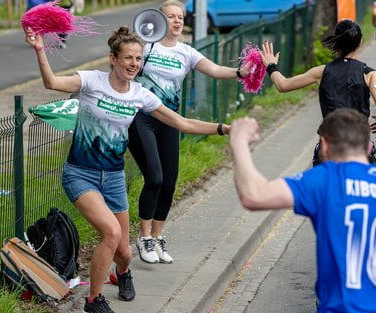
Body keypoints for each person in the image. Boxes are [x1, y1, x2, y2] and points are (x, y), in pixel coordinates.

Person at [24, 25, 230, 313]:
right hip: (80, 173)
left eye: (138, 58)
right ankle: (94, 301)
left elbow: (182, 123)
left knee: (124, 252)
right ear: (113, 58)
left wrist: (223, 129)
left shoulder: (140, 95)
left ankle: (121, 272)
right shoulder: (91, 81)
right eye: (128, 58)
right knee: (111, 233)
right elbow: (51, 83)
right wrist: (40, 50)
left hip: (114, 178)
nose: (134, 64)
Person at [128, 0, 250, 264]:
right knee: (155, 177)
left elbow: (215, 70)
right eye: (171, 16)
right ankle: (144, 236)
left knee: (170, 181)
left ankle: (158, 238)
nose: (176, 21)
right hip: (142, 118)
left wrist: (242, 72)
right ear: (160, 20)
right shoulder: (146, 47)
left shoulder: (186, 52)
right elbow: (126, 67)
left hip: (171, 120)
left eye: (180, 17)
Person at [230, 108, 376, 313]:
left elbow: (254, 195)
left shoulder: (327, 179)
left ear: (324, 146)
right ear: (368, 146)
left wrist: (238, 141)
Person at [259, 19, 376, 166]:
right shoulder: (370, 75)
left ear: (336, 43)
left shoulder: (321, 72)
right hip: (360, 147)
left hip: (329, 148)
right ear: (360, 43)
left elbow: (283, 85)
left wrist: (271, 66)